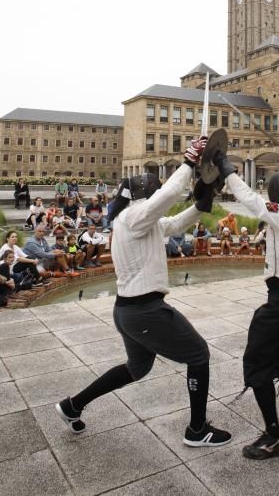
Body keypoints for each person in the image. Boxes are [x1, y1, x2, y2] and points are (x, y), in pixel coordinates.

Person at [55, 136, 232, 449]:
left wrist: (201, 203)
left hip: (129, 311)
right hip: (145, 311)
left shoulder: (141, 222)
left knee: (137, 368)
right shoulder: (134, 216)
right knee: (198, 355)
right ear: (145, 192)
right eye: (155, 186)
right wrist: (189, 162)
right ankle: (196, 429)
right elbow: (169, 194)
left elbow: (175, 224)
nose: (158, 189)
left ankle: (73, 405)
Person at [212, 146, 279, 459]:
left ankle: (273, 435)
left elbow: (248, 196)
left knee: (258, 365)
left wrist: (225, 166)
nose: (269, 198)